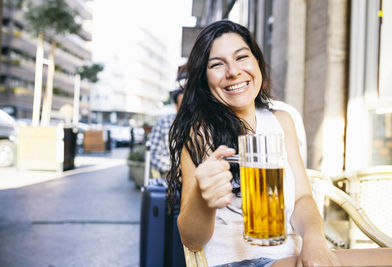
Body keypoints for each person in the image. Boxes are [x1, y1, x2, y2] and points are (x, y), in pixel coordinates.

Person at [167, 20, 392, 267]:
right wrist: (203, 197)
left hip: (290, 257)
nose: (233, 71)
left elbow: (302, 198)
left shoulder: (281, 120)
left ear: (257, 62)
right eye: (217, 64)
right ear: (204, 79)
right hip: (238, 261)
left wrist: (314, 241)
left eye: (242, 57)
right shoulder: (200, 133)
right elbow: (191, 240)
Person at [150, 88, 184, 177]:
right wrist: (177, 168)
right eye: (183, 104)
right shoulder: (163, 123)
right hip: (170, 175)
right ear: (176, 106)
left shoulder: (200, 125)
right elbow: (153, 156)